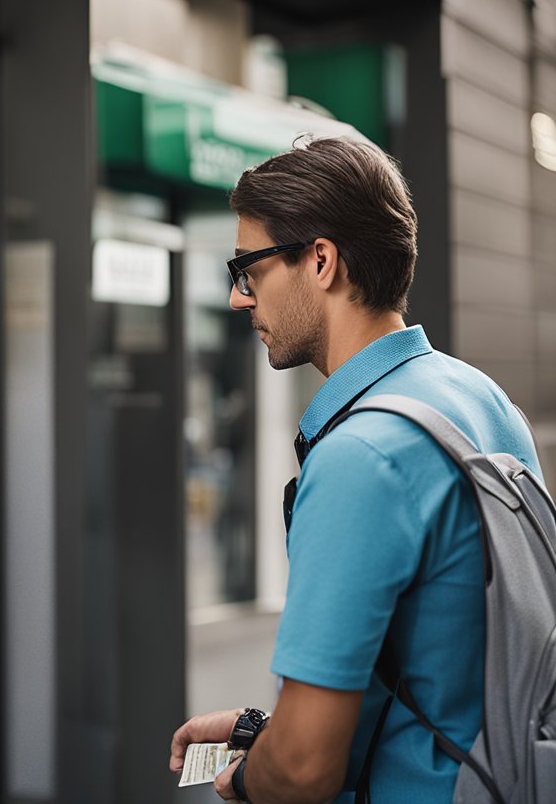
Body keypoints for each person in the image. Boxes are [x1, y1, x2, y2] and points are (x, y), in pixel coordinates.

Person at [168, 136, 543, 803]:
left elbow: (308, 768)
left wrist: (253, 776)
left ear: (320, 260)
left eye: (248, 267)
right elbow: (437, 672)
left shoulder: (361, 456)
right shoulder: (482, 400)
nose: (238, 298)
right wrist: (265, 731)